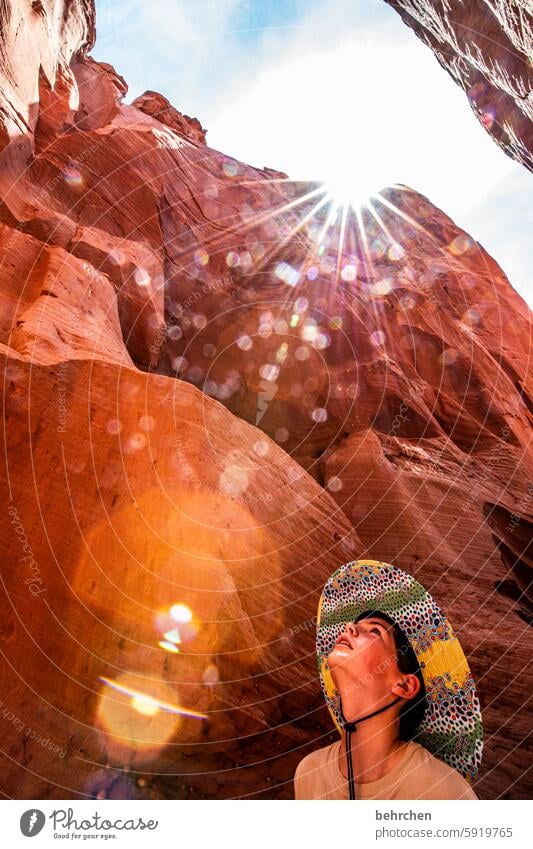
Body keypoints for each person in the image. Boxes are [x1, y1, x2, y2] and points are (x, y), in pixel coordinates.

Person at [294, 559, 483, 800]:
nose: (349, 629)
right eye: (354, 624)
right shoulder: (309, 773)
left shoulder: (442, 793)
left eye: (373, 631)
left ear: (405, 685)